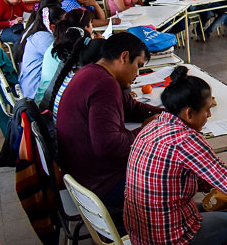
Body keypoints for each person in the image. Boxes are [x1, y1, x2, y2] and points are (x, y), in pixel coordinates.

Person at [125, 66, 227, 245]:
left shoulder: (153, 125)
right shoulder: (186, 140)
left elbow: (188, 180)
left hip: (142, 234)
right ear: (189, 113)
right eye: (207, 111)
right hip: (168, 242)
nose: (209, 116)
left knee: (226, 208)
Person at [56, 32, 161, 208]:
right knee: (174, 172)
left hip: (83, 176)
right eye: (138, 65)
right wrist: (145, 130)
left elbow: (132, 108)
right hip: (101, 186)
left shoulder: (93, 72)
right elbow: (109, 145)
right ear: (124, 57)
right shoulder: (104, 84)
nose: (137, 74)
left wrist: (172, 113)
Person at [35, 10, 94, 102]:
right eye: (91, 24)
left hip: (44, 99)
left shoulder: (60, 43)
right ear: (84, 28)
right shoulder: (72, 49)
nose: (92, 29)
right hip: (51, 102)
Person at [16, 1, 66, 99]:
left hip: (34, 88)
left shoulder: (40, 34)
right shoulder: (44, 38)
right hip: (35, 94)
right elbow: (63, 58)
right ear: (52, 27)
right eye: (65, 23)